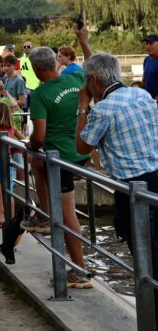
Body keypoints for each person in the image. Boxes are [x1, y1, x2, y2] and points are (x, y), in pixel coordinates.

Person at [76, 52, 158, 292]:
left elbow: (82, 146)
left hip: (131, 187)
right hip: (155, 177)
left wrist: (83, 107)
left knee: (145, 254)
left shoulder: (103, 110)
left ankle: (150, 311)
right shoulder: (141, 95)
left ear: (93, 82)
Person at [25, 47, 91, 287]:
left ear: (35, 69)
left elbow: (39, 137)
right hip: (82, 151)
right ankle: (43, 213)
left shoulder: (41, 95)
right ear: (55, 63)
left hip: (62, 158)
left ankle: (79, 271)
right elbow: (94, 64)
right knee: (38, 162)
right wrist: (83, 41)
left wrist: (30, 145)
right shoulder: (75, 78)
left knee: (67, 214)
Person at [142, 34, 158, 100]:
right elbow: (144, 79)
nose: (148, 46)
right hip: (147, 100)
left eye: (151, 43)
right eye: (146, 44)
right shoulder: (146, 59)